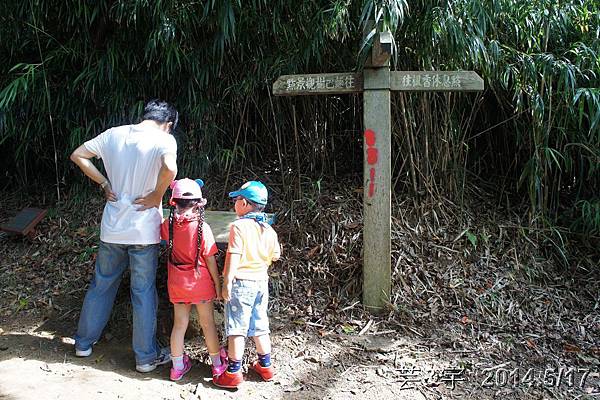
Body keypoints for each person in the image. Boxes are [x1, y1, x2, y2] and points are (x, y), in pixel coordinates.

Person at [69, 99, 178, 372]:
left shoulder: (113, 134)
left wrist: (104, 182)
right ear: (169, 123)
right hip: (143, 231)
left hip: (113, 228)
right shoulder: (165, 140)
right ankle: (145, 357)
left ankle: (83, 343)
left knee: (101, 284)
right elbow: (171, 168)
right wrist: (157, 194)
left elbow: (78, 155)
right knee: (142, 291)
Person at [213, 181, 281, 389]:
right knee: (260, 325)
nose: (234, 204)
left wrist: (226, 282)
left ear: (243, 203)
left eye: (236, 200)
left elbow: (233, 256)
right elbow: (276, 255)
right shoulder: (268, 229)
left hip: (241, 283)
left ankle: (233, 371)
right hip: (261, 282)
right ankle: (266, 366)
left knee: (236, 328)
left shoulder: (239, 226)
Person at [159, 178, 227, 381]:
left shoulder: (168, 225)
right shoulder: (202, 227)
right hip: (201, 283)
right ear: (199, 203)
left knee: (179, 325)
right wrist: (217, 284)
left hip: (177, 284)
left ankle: (177, 367)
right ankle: (217, 366)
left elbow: (161, 236)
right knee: (208, 325)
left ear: (173, 202)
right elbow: (210, 260)